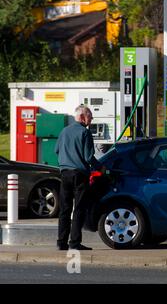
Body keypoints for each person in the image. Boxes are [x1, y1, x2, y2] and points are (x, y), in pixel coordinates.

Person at [55, 105, 103, 251]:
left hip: (64, 173)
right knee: (79, 209)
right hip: (79, 174)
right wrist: (101, 167)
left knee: (65, 208)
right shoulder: (85, 132)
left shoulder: (64, 131)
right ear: (82, 117)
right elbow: (88, 157)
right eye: (90, 116)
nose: (92, 118)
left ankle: (61, 242)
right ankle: (74, 243)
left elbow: (56, 150)